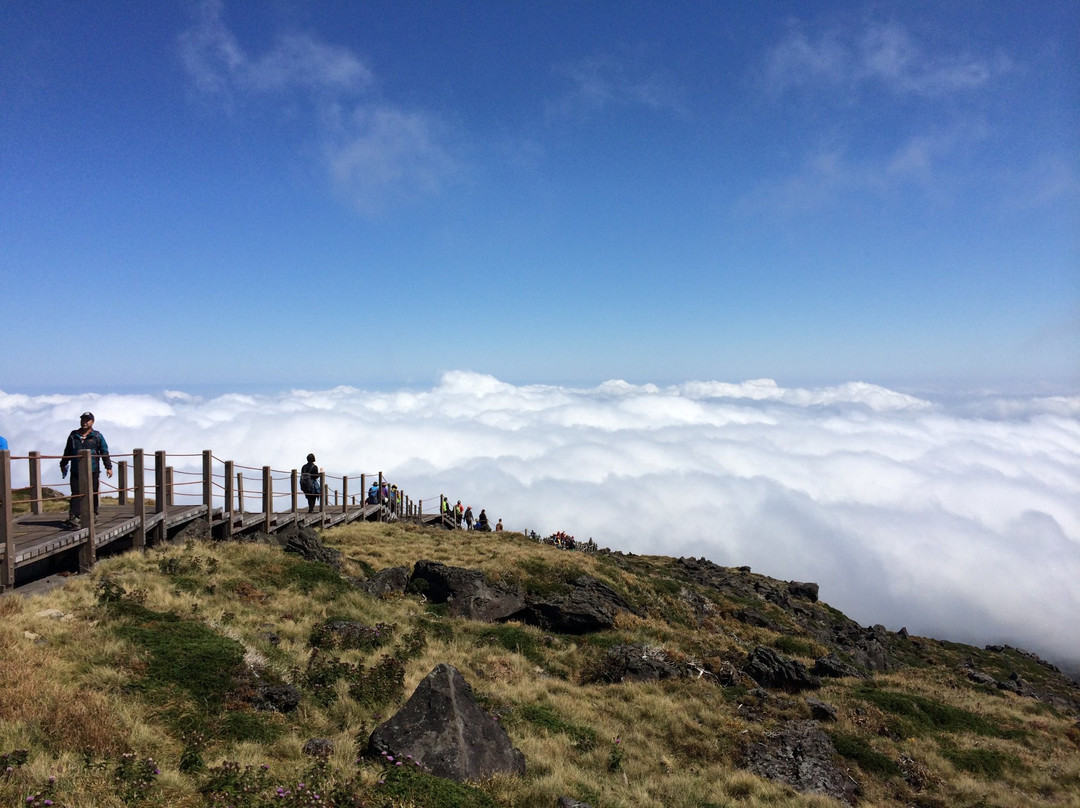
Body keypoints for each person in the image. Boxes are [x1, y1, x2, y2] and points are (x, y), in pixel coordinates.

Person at [59, 411, 112, 528]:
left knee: (92, 492)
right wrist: (63, 463)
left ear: (92, 422)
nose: (84, 422)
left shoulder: (97, 436)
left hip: (92, 469)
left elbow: (104, 451)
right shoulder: (73, 435)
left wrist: (108, 467)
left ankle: (93, 514)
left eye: (87, 420)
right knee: (76, 493)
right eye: (83, 420)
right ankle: (74, 516)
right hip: (76, 469)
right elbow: (68, 451)